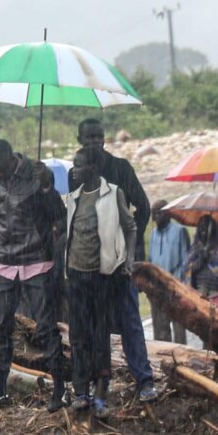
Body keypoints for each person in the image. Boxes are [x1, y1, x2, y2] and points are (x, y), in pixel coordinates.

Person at [0, 138, 66, 409]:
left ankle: (59, 390)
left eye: (2, 171)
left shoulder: (36, 174)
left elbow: (59, 216)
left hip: (36, 261)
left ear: (12, 160)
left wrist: (48, 186)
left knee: (46, 328)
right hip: (2, 263)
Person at [76, 122, 156, 402]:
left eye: (98, 137)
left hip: (120, 263)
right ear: (80, 140)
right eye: (89, 138)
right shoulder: (78, 173)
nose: (95, 142)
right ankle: (100, 384)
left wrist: (132, 252)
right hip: (90, 266)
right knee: (95, 325)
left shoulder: (121, 169)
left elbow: (143, 209)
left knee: (130, 319)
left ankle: (144, 380)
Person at [63, 152, 136, 416]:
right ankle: (81, 391)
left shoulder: (112, 193)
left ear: (92, 167)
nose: (74, 171)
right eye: (73, 166)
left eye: (78, 166)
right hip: (76, 276)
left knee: (99, 335)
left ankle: (101, 392)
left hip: (101, 276)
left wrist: (129, 259)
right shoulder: (73, 198)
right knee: (78, 336)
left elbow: (131, 227)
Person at [146, 201, 191, 344]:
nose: (155, 217)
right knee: (160, 331)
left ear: (168, 213)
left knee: (179, 330)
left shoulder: (179, 231)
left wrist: (183, 287)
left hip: (175, 286)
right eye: (153, 214)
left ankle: (182, 362)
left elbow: (186, 261)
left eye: (158, 212)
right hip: (157, 287)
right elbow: (151, 259)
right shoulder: (153, 234)